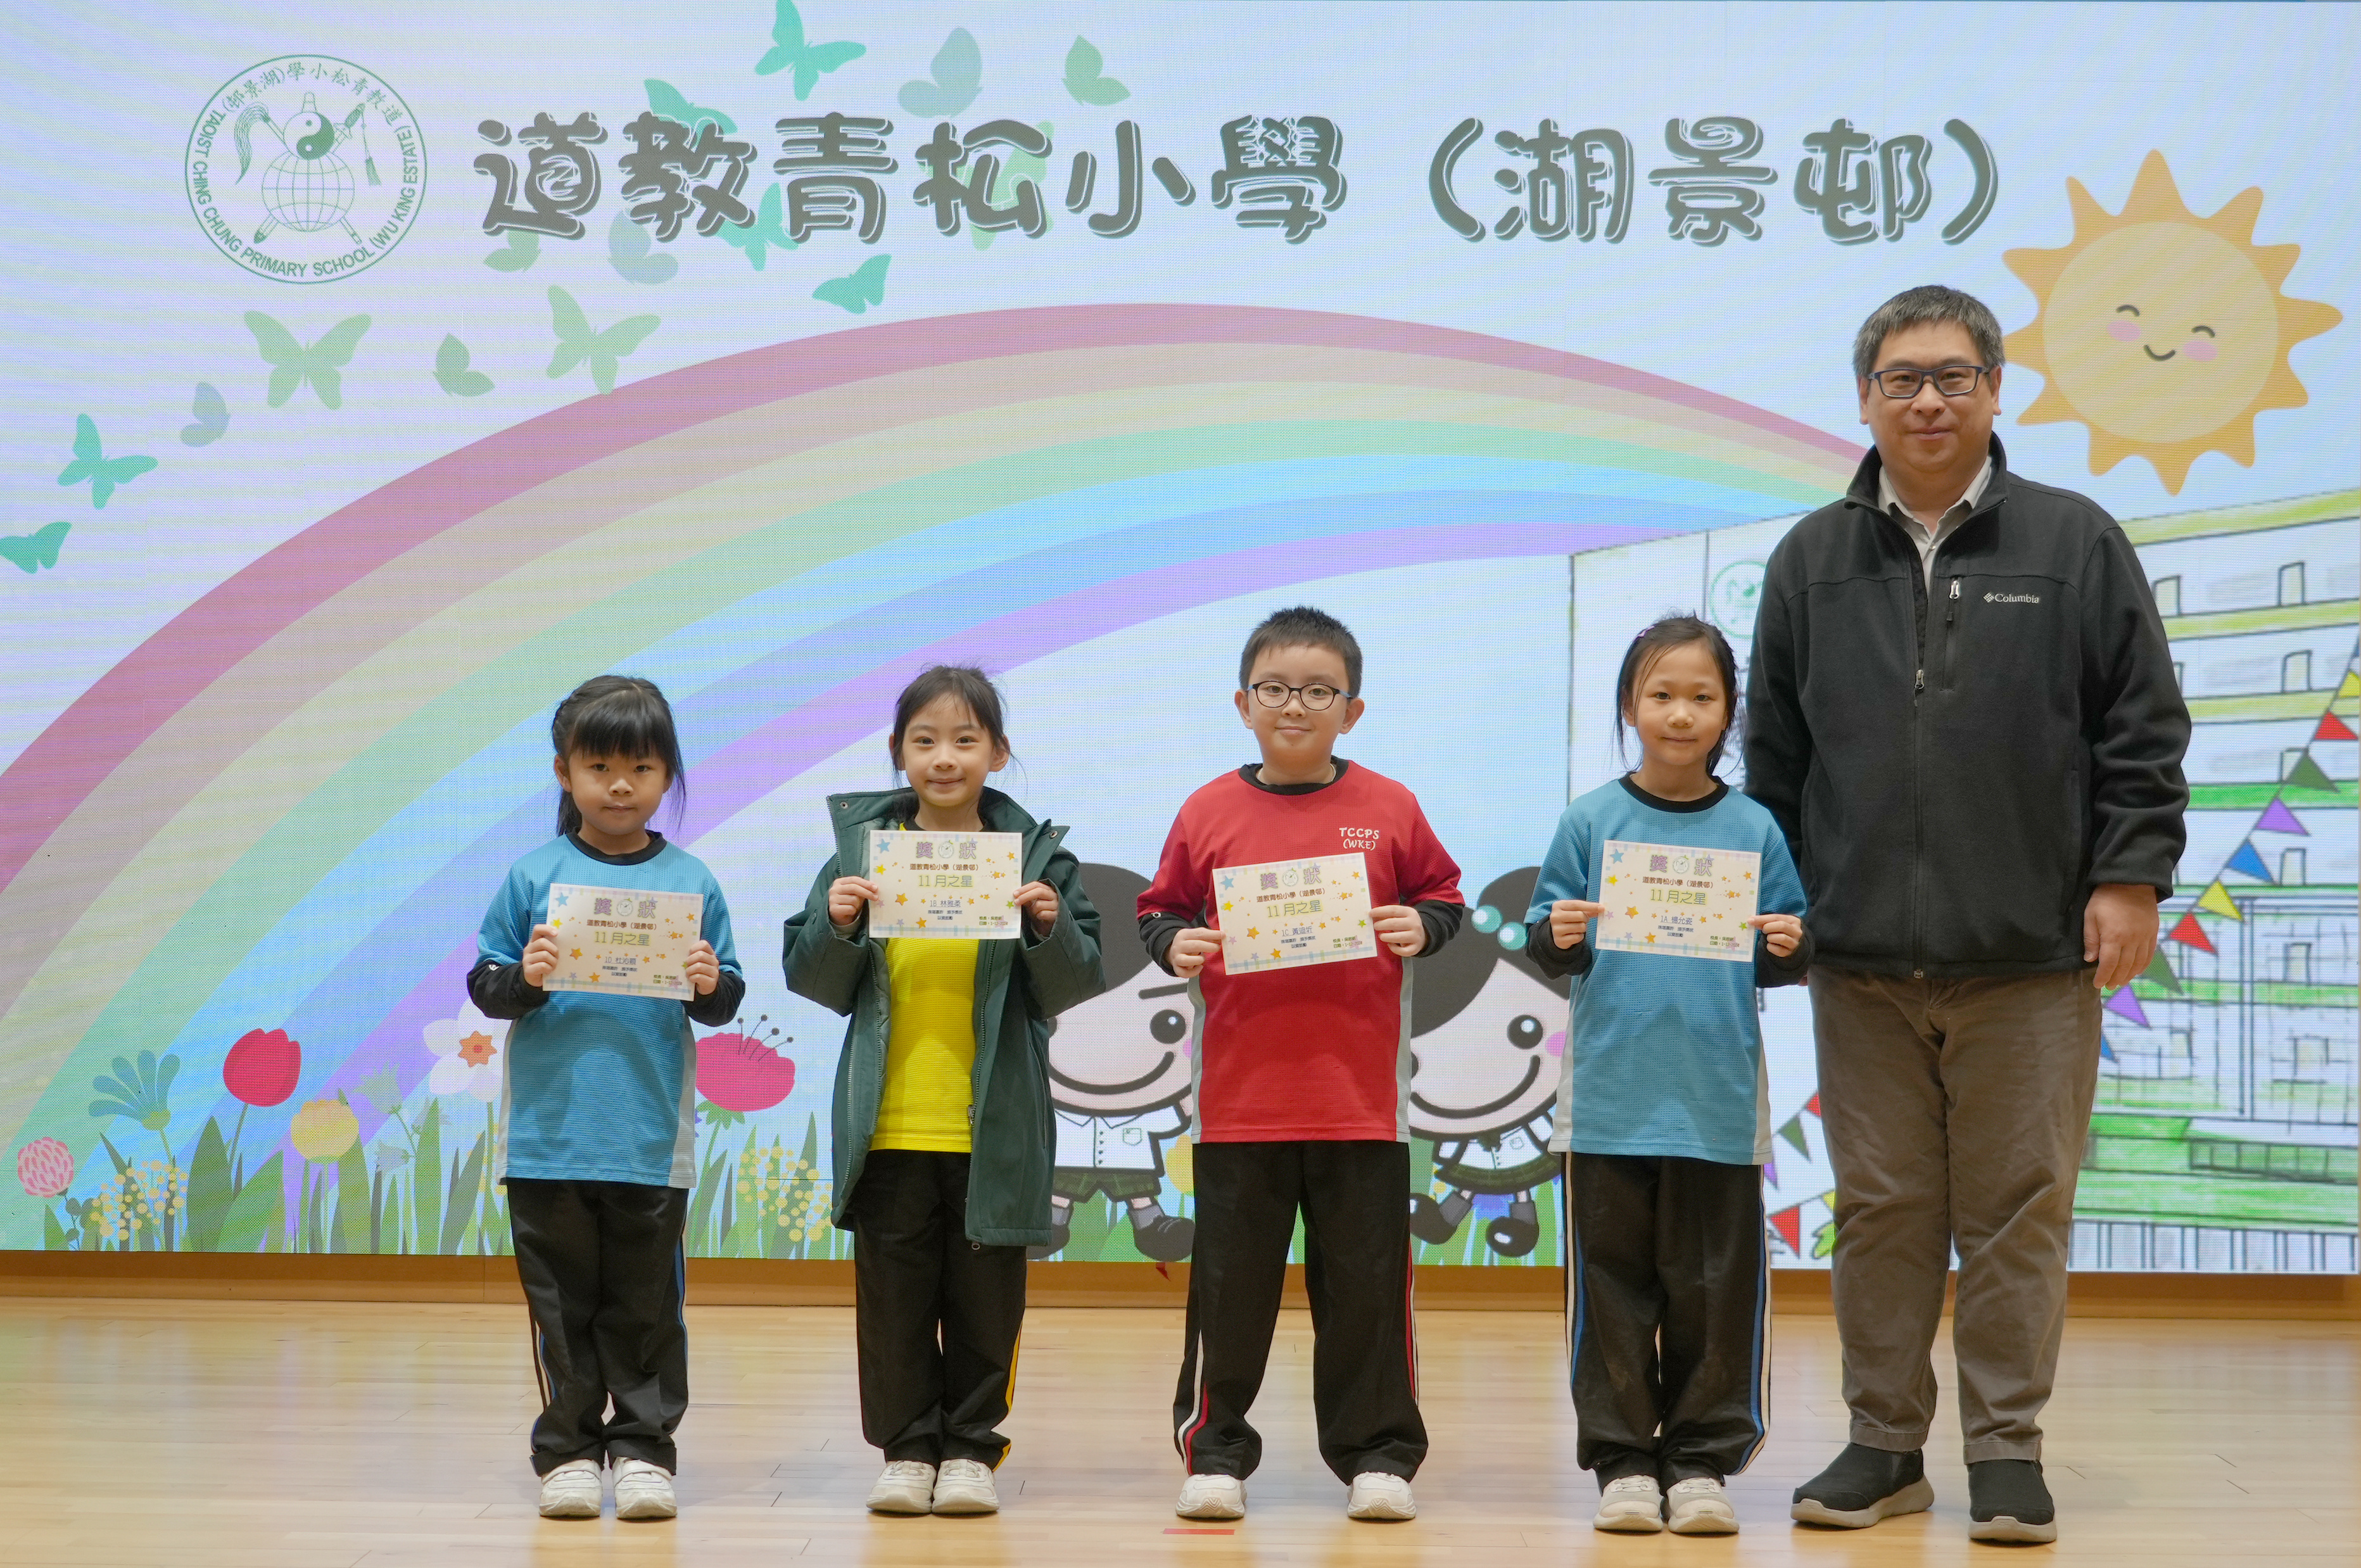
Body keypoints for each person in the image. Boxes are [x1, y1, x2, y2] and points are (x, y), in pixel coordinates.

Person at [1745, 285, 2190, 1545]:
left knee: (2016, 1213)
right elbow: (1775, 754)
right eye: (1902, 379)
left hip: (2031, 953)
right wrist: (1783, 908)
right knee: (1881, 1211)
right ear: (1865, 398)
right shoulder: (1811, 558)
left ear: (1996, 390)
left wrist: (2129, 875)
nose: (1928, 399)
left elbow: (2142, 726)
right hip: (1860, 959)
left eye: (1953, 376)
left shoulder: (2073, 540)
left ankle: (2006, 1450)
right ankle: (1884, 1443)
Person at [1137, 606, 1465, 1524]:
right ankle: (1215, 1452)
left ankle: (1378, 1456)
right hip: (1240, 1104)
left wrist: (1422, 925)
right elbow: (1160, 910)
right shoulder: (1207, 809)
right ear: (1243, 703)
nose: (1295, 706)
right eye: (1276, 688)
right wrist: (1175, 944)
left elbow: (1443, 896)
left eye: (1319, 691)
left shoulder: (1390, 807)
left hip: (1362, 1104)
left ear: (1352, 711)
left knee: (1365, 1294)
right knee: (1230, 1293)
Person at [784, 665, 1104, 1518]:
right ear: (899, 753)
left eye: (966, 739)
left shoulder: (1039, 860)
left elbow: (1077, 981)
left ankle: (969, 1450)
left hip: (992, 1127)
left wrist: (1049, 928)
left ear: (998, 752)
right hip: (889, 1125)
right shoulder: (861, 855)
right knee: (892, 1304)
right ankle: (905, 1452)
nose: (945, 758)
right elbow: (812, 978)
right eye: (924, 740)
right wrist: (837, 923)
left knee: (986, 1304)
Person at [1527, 615, 1811, 1536]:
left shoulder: (1754, 826)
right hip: (1609, 1104)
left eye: (1701, 696)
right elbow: (1548, 941)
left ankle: (1699, 1464)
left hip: (1715, 1105)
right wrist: (1557, 934)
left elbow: (1784, 947)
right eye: (1661, 694)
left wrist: (1788, 945)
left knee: (1714, 1295)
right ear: (1629, 706)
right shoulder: (1590, 820)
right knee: (1609, 1293)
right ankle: (1622, 1463)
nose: (1680, 714)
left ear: (1729, 712)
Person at [470, 674, 745, 1522]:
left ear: (668, 777)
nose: (620, 785)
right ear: (564, 773)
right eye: (599, 767)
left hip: (648, 1141)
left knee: (646, 1307)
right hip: (549, 1140)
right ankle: (568, 1455)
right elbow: (486, 984)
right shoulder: (533, 876)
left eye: (641, 768)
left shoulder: (691, 880)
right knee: (562, 1309)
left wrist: (709, 983)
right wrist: (526, 978)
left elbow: (725, 997)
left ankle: (643, 1451)